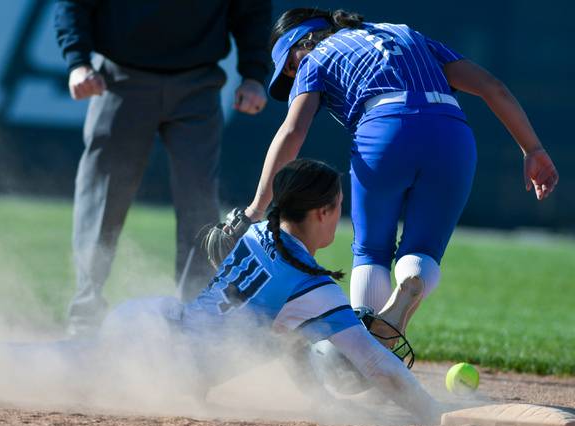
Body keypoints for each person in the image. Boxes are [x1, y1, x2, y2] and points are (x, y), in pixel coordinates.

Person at [0, 159, 441, 425]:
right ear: (325, 215)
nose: (341, 220)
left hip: (157, 329)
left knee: (18, 358)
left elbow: (287, 344)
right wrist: (431, 412)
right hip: (155, 350)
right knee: (4, 361)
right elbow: (379, 365)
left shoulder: (263, 235)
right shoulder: (309, 286)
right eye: (338, 210)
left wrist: (333, 402)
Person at [228, 7, 559, 342]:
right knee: (423, 250)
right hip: (452, 134)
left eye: (289, 63)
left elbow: (293, 131)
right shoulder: (404, 33)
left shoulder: (316, 56)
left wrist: (256, 209)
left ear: (304, 41)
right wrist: (533, 150)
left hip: (384, 129)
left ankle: (362, 350)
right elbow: (493, 87)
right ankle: (412, 280)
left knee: (372, 250)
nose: (293, 72)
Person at [54, 0, 272, 336]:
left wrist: (254, 74)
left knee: (199, 208)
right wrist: (78, 62)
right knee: (102, 203)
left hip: (198, 83)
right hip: (118, 78)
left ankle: (194, 325)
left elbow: (251, 10)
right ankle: (84, 320)